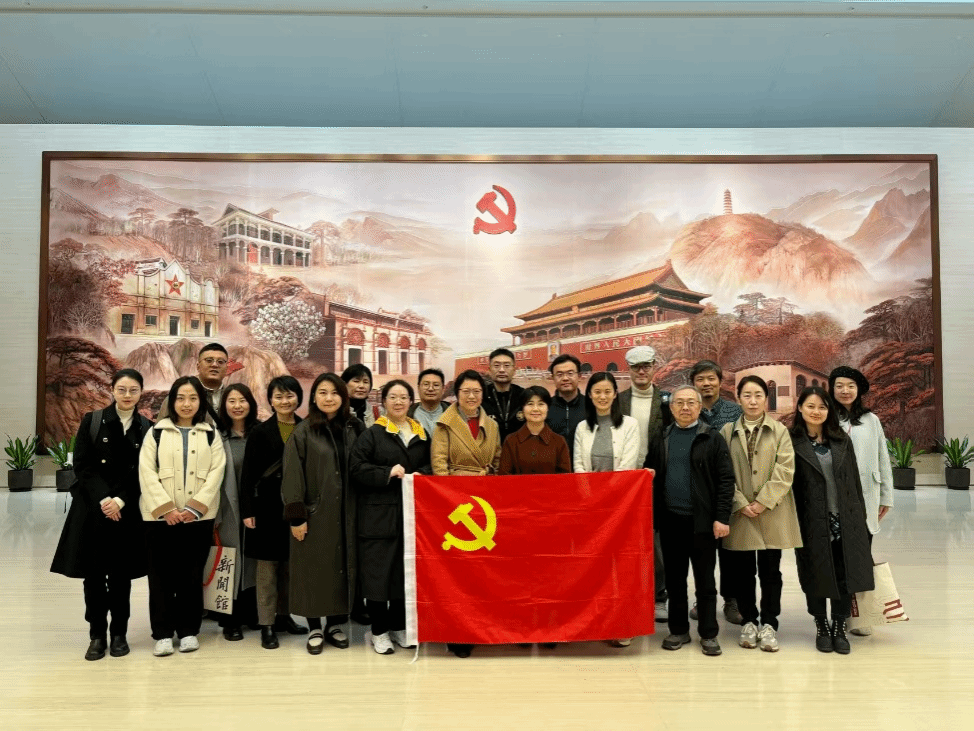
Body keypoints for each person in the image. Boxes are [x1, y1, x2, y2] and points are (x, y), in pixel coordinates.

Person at [51, 368, 152, 661]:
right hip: (92, 510)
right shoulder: (93, 421)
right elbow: (83, 465)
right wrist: (105, 498)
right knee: (93, 576)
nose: (127, 395)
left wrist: (120, 500)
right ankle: (96, 635)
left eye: (133, 390)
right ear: (112, 389)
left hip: (125, 510)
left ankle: (119, 634)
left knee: (121, 576)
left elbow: (145, 471)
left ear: (140, 392)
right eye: (122, 389)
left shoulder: (147, 427)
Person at [139, 376, 226, 657]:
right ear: (172, 401)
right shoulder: (156, 433)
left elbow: (217, 472)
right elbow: (146, 472)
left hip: (197, 519)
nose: (186, 404)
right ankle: (162, 633)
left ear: (201, 402)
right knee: (160, 577)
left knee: (191, 575)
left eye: (193, 398)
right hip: (159, 519)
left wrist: (194, 508)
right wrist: (166, 509)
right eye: (180, 398)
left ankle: (189, 631)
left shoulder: (210, 434)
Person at [645, 384, 735, 656]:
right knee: (675, 581)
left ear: (699, 407)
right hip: (670, 521)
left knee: (705, 582)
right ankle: (678, 630)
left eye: (691, 402)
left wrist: (721, 518)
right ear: (671, 407)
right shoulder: (662, 437)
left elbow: (726, 480)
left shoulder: (711, 437)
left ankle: (708, 633)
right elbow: (650, 474)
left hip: (703, 523)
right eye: (679, 403)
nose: (685, 407)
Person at [282, 373, 365, 655]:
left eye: (334, 393)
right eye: (322, 392)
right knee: (313, 570)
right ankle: (315, 627)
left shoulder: (355, 428)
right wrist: (297, 516)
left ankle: (335, 624)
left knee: (342, 568)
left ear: (343, 397)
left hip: (349, 512)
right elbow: (292, 476)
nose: (329, 398)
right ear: (314, 397)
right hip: (316, 514)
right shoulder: (304, 431)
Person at [790, 386, 874, 655]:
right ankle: (821, 625)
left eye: (822, 407)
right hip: (811, 519)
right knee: (814, 572)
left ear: (829, 411)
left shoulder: (841, 440)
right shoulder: (791, 441)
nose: (816, 412)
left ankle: (839, 625)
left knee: (843, 572)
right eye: (810, 406)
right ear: (800, 408)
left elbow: (854, 483)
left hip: (844, 519)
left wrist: (860, 518)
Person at [350, 379, 431, 655]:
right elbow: (356, 468)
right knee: (377, 576)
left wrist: (423, 475)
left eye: (404, 397)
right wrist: (386, 473)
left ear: (411, 401)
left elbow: (431, 464)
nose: (398, 402)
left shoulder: (421, 433)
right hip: (378, 517)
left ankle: (398, 627)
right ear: (383, 401)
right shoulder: (372, 434)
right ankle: (379, 631)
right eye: (393, 397)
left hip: (410, 516)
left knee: (402, 574)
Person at [720, 376, 800, 653]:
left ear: (766, 399)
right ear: (738, 398)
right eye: (747, 395)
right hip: (740, 512)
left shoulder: (780, 431)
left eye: (758, 395)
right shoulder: (727, 431)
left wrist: (763, 502)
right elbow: (722, 471)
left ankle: (769, 623)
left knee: (770, 571)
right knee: (742, 572)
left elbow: (785, 469)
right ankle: (749, 621)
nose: (752, 401)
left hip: (772, 511)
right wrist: (740, 502)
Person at [431, 369, 502, 658]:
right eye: (465, 391)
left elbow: (497, 460)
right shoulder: (444, 424)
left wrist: (488, 480)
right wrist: (455, 493)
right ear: (456, 394)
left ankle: (482, 627)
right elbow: (439, 466)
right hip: (456, 505)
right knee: (457, 575)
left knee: (481, 573)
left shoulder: (492, 425)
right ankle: (457, 632)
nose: (471, 396)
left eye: (476, 391)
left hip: (485, 505)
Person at [572, 371, 641, 647]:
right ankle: (594, 622)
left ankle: (621, 625)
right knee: (594, 567)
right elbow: (579, 466)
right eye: (597, 392)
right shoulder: (582, 427)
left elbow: (627, 465)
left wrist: (608, 498)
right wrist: (592, 499)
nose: (602, 396)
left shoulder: (630, 425)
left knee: (620, 567)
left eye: (607, 391)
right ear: (590, 395)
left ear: (615, 394)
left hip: (621, 507)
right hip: (590, 509)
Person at [239, 375, 308, 650]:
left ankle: (284, 616)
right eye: (278, 396)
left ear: (298, 398)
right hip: (266, 508)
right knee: (267, 570)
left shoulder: (306, 428)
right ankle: (266, 624)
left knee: (291, 566)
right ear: (270, 400)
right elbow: (248, 474)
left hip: (296, 508)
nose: (284, 401)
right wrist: (247, 509)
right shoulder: (260, 432)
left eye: (290, 395)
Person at [829, 366, 894, 638]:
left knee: (860, 557)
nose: (845, 391)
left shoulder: (871, 420)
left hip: (865, 496)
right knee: (837, 559)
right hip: (834, 500)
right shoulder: (826, 417)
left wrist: (886, 496)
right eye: (840, 386)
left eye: (851, 386)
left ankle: (861, 615)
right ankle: (841, 614)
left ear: (859, 390)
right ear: (831, 389)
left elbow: (882, 457)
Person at [618, 345, 671, 623]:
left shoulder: (666, 402)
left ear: (653, 368)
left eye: (646, 366)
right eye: (636, 367)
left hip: (657, 478)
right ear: (628, 369)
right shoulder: (618, 401)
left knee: (657, 539)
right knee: (624, 540)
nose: (641, 371)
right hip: (626, 478)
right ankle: (627, 593)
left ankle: (660, 595)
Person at [690, 359, 744, 625]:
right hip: (698, 490)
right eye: (700, 379)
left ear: (720, 382)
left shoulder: (735, 411)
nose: (706, 383)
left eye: (711, 378)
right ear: (693, 384)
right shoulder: (688, 410)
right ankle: (703, 598)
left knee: (730, 550)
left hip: (728, 487)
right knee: (702, 552)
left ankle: (731, 599)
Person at [214, 384, 260, 641]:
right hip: (227, 508)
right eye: (232, 401)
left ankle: (253, 613)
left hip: (256, 507)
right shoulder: (218, 436)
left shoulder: (259, 433)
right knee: (230, 560)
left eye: (243, 400)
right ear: (224, 405)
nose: (237, 406)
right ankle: (230, 620)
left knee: (254, 561)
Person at [500, 386, 571, 476]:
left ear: (548, 408)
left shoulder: (559, 442)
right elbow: (504, 476)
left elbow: (565, 478)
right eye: (530, 404)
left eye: (541, 404)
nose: (535, 409)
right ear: (522, 408)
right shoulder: (511, 441)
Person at [155, 342, 229, 422]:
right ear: (198, 366)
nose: (214, 365)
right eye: (209, 360)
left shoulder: (231, 395)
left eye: (220, 362)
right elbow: (160, 426)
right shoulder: (179, 394)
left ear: (226, 367)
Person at [546, 354, 586, 460]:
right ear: (553, 378)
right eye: (559, 374)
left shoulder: (591, 405)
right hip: (553, 466)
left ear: (579, 376)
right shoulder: (545, 407)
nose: (565, 378)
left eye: (570, 373)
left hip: (583, 467)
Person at [483, 347, 525, 443]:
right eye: (496, 365)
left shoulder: (523, 395)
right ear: (489, 369)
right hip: (489, 450)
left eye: (506, 365)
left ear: (514, 369)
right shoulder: (481, 396)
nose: (501, 370)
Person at [408, 367, 450, 437]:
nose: (430, 389)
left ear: (443, 389)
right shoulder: (407, 414)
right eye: (426, 384)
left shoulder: (453, 413)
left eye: (436, 385)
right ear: (418, 388)